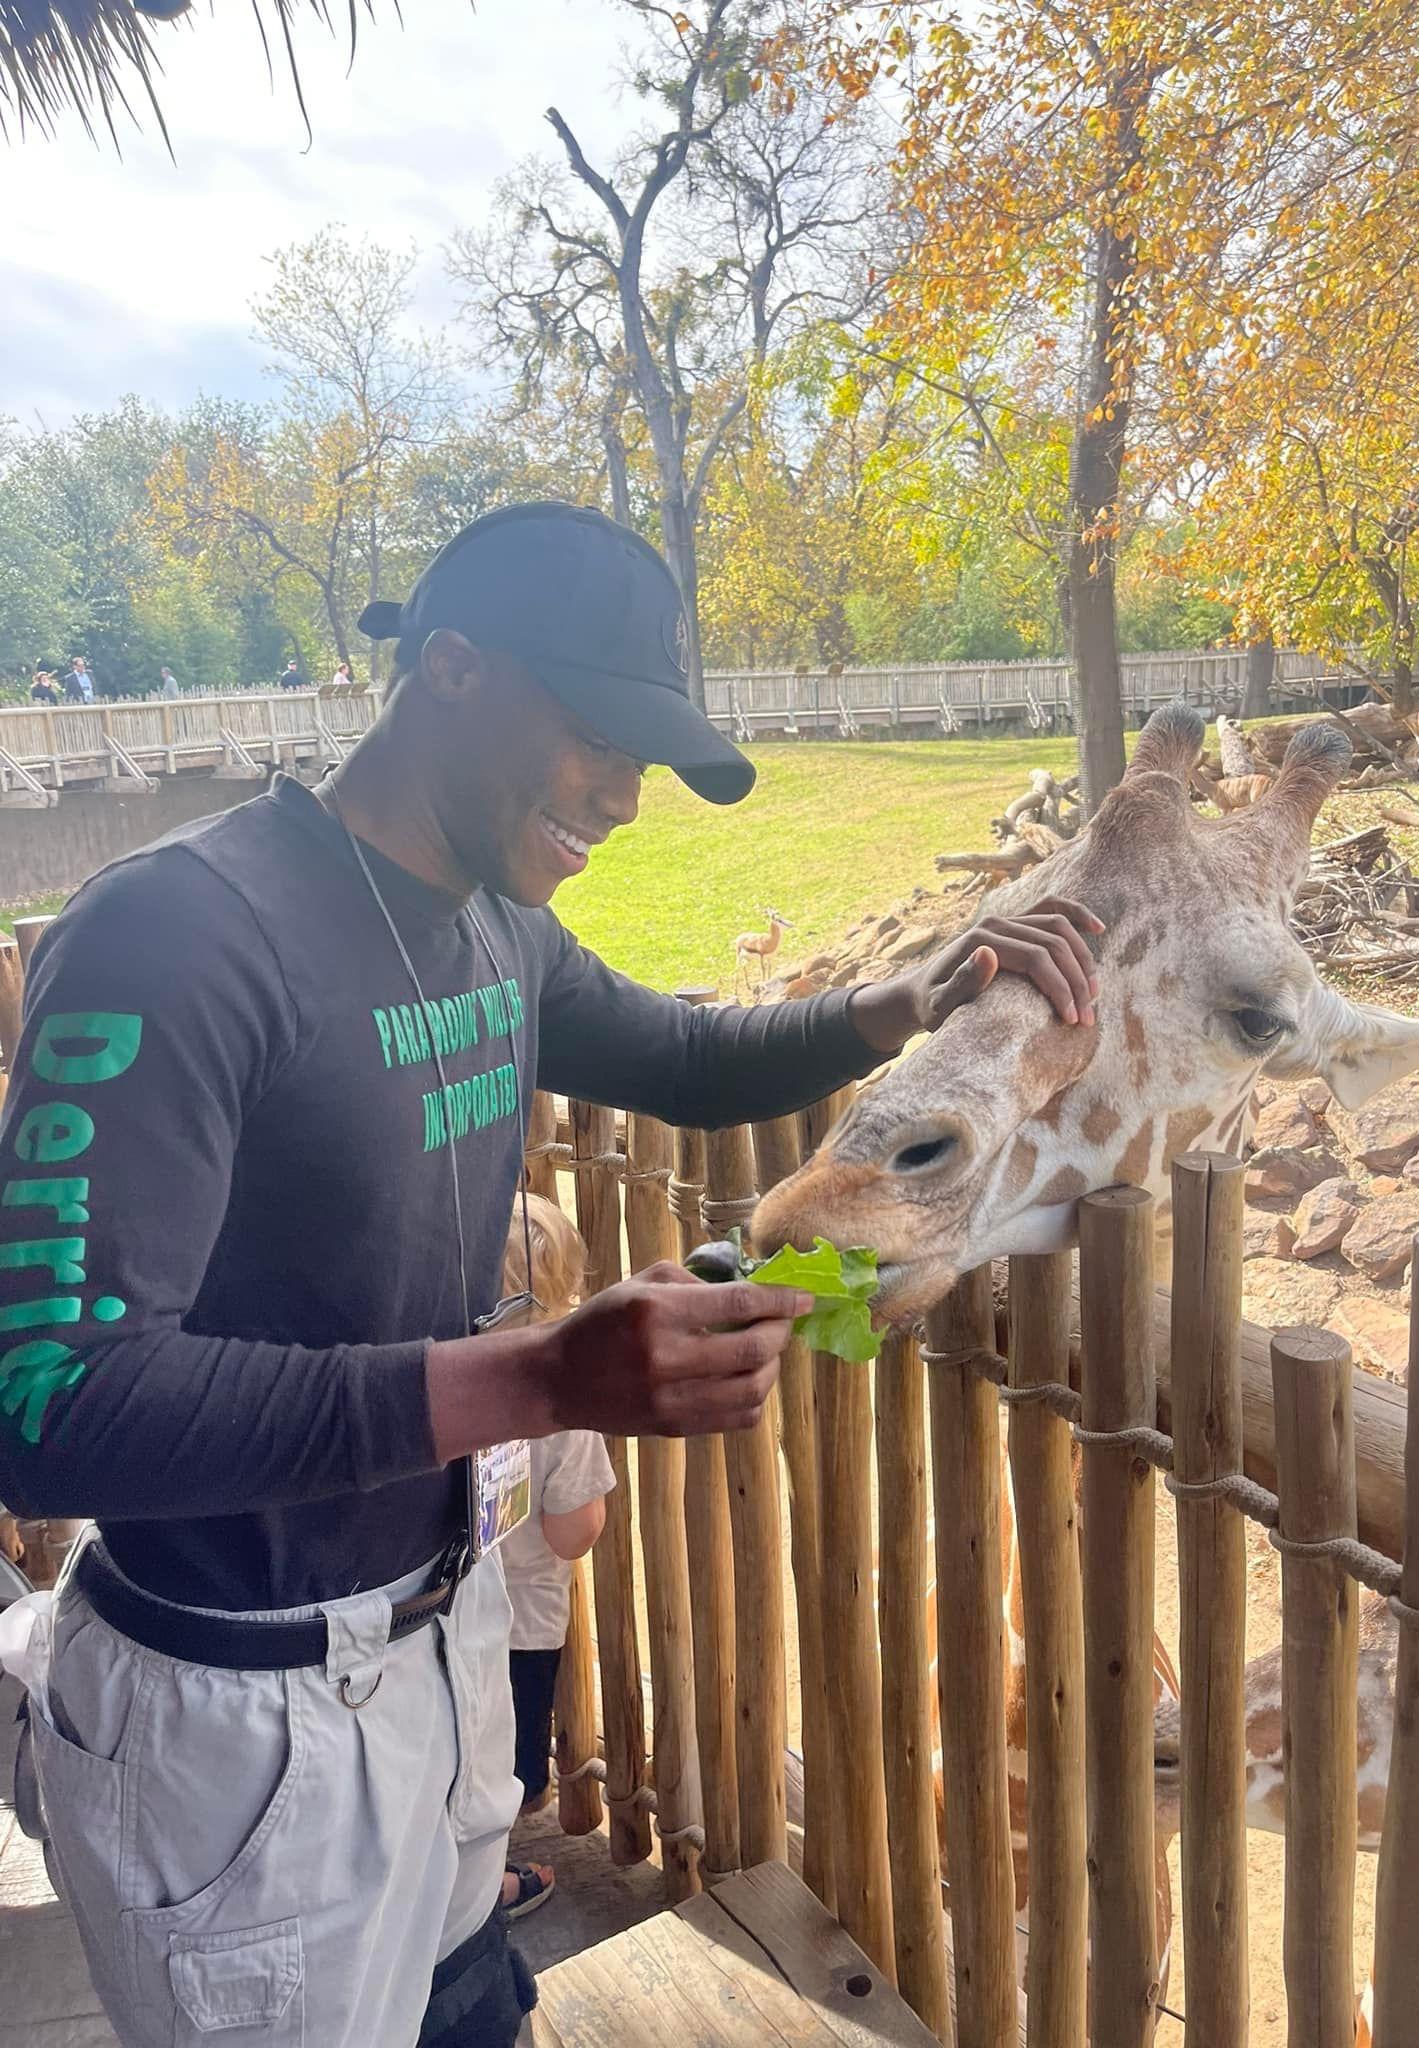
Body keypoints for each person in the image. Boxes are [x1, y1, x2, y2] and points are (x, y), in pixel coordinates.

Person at [0, 501, 1099, 2048]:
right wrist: (544, 1376)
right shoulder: (178, 935)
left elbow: (686, 1058)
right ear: (453, 668)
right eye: (598, 737)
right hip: (244, 1712)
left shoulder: (495, 927)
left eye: (644, 759)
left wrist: (908, 996)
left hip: (443, 1642)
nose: (626, 799)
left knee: (471, 2016)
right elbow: (55, 1412)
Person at [493, 1193, 611, 1922]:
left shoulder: (438, 1368)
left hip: (425, 1621)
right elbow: (572, 1533)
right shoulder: (563, 1401)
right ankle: (480, 1893)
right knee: (502, 1777)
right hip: (520, 1629)